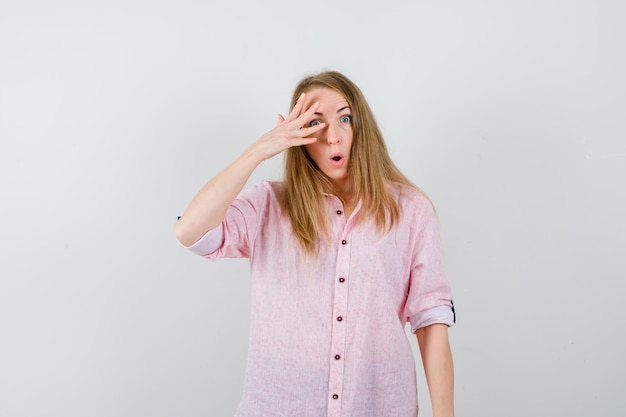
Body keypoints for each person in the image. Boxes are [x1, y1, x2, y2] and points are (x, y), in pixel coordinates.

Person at [174, 71, 456, 417]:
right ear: (298, 135)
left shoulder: (411, 211)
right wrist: (259, 151)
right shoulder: (269, 205)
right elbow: (190, 233)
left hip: (378, 406)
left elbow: (431, 321)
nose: (333, 137)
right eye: (315, 123)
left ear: (361, 127)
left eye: (345, 119)